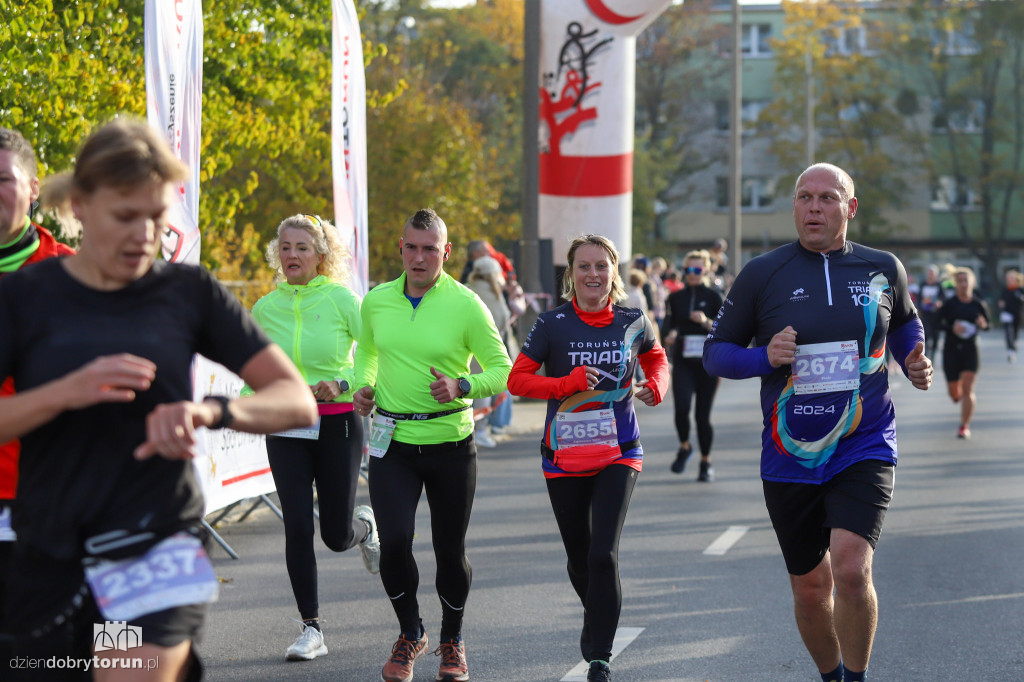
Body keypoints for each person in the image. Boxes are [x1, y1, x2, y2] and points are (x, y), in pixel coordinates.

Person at [0, 118, 318, 681]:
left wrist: (212, 411)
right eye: (126, 217)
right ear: (80, 206)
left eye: (156, 217)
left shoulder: (185, 291)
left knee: (128, 673)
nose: (145, 236)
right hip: (48, 553)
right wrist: (65, 392)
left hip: (154, 546)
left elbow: (295, 400)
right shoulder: (27, 295)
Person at [704, 163, 933, 682]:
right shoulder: (764, 273)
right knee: (811, 589)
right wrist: (765, 357)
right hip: (790, 452)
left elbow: (903, 323)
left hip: (864, 440)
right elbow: (716, 354)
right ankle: (831, 676)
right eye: (804, 197)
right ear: (793, 206)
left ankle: (856, 678)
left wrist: (914, 357)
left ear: (850, 208)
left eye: (827, 198)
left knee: (852, 569)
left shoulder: (882, 267)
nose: (813, 208)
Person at [352, 208, 511, 682]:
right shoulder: (376, 300)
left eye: (430, 249)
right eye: (411, 247)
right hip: (392, 440)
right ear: (400, 248)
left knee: (448, 550)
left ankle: (452, 640)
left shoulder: (466, 304)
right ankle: (411, 632)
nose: (419, 258)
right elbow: (368, 352)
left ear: (445, 253)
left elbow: (502, 369)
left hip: (450, 442)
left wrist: (463, 386)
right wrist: (364, 385)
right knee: (396, 543)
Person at [507, 234, 669, 682]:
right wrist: (567, 382)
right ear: (571, 274)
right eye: (584, 266)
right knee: (580, 559)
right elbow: (517, 381)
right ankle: (595, 612)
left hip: (619, 451)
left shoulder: (633, 319)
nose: (593, 274)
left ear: (614, 272)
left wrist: (656, 386)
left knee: (603, 556)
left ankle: (600, 657)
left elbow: (657, 360)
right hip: (563, 457)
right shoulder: (552, 323)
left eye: (602, 266)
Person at [251, 213, 380, 661]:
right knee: (297, 526)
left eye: (302, 247)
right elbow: (253, 368)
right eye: (284, 247)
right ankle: (312, 629)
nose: (292, 255)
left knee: (333, 534)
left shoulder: (344, 300)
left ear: (321, 256)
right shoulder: (265, 308)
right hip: (286, 425)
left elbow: (370, 352)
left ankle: (363, 529)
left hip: (338, 422)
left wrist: (342, 382)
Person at [0, 127, 76, 619]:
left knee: (90, 658)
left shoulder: (77, 279)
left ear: (33, 188)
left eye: (3, 178)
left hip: (59, 508)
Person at [662, 249, 724, 481]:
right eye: (689, 270)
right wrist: (671, 334)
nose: (693, 274)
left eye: (697, 270)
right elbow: (667, 326)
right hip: (684, 362)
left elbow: (726, 329)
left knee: (702, 417)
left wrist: (707, 321)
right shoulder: (676, 297)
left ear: (706, 270)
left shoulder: (714, 296)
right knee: (681, 409)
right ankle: (685, 446)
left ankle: (705, 462)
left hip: (708, 364)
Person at [466, 256, 515, 444]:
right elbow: (503, 320)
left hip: (461, 350)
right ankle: (479, 431)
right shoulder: (494, 295)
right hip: (483, 351)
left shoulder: (466, 289)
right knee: (482, 393)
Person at [938, 266, 989, 439]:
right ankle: (956, 392)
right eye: (960, 281)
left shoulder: (978, 304)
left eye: (966, 280)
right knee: (955, 394)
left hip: (970, 350)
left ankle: (964, 426)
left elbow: (987, 324)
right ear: (956, 284)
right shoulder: (949, 304)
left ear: (972, 283)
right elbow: (937, 323)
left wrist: (983, 324)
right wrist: (952, 327)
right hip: (951, 350)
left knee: (968, 389)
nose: (963, 284)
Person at [916, 265, 944, 359]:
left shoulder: (939, 285)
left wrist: (939, 302)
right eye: (929, 273)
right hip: (925, 315)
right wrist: (918, 309)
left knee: (935, 336)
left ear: (936, 275)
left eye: (933, 273)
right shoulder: (923, 284)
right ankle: (926, 355)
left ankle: (933, 356)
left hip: (936, 315)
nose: (931, 275)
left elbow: (943, 298)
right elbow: (919, 298)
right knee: (926, 335)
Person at [997, 269, 1024, 363]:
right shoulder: (1005, 290)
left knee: (1015, 333)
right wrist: (1001, 307)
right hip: (1007, 314)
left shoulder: (1020, 290)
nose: (1009, 280)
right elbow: (1001, 301)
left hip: (1017, 315)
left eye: (1011, 278)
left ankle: (1013, 344)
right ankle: (1010, 352)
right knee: (1009, 332)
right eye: (1008, 278)